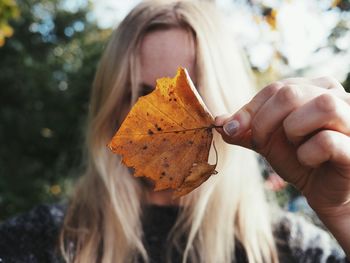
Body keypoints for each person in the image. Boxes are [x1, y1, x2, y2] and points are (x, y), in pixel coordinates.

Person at [1, 0, 350, 262]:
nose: (165, 118)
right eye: (141, 94)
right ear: (110, 108)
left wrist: (344, 214)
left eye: (188, 94)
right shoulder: (42, 240)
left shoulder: (293, 249)